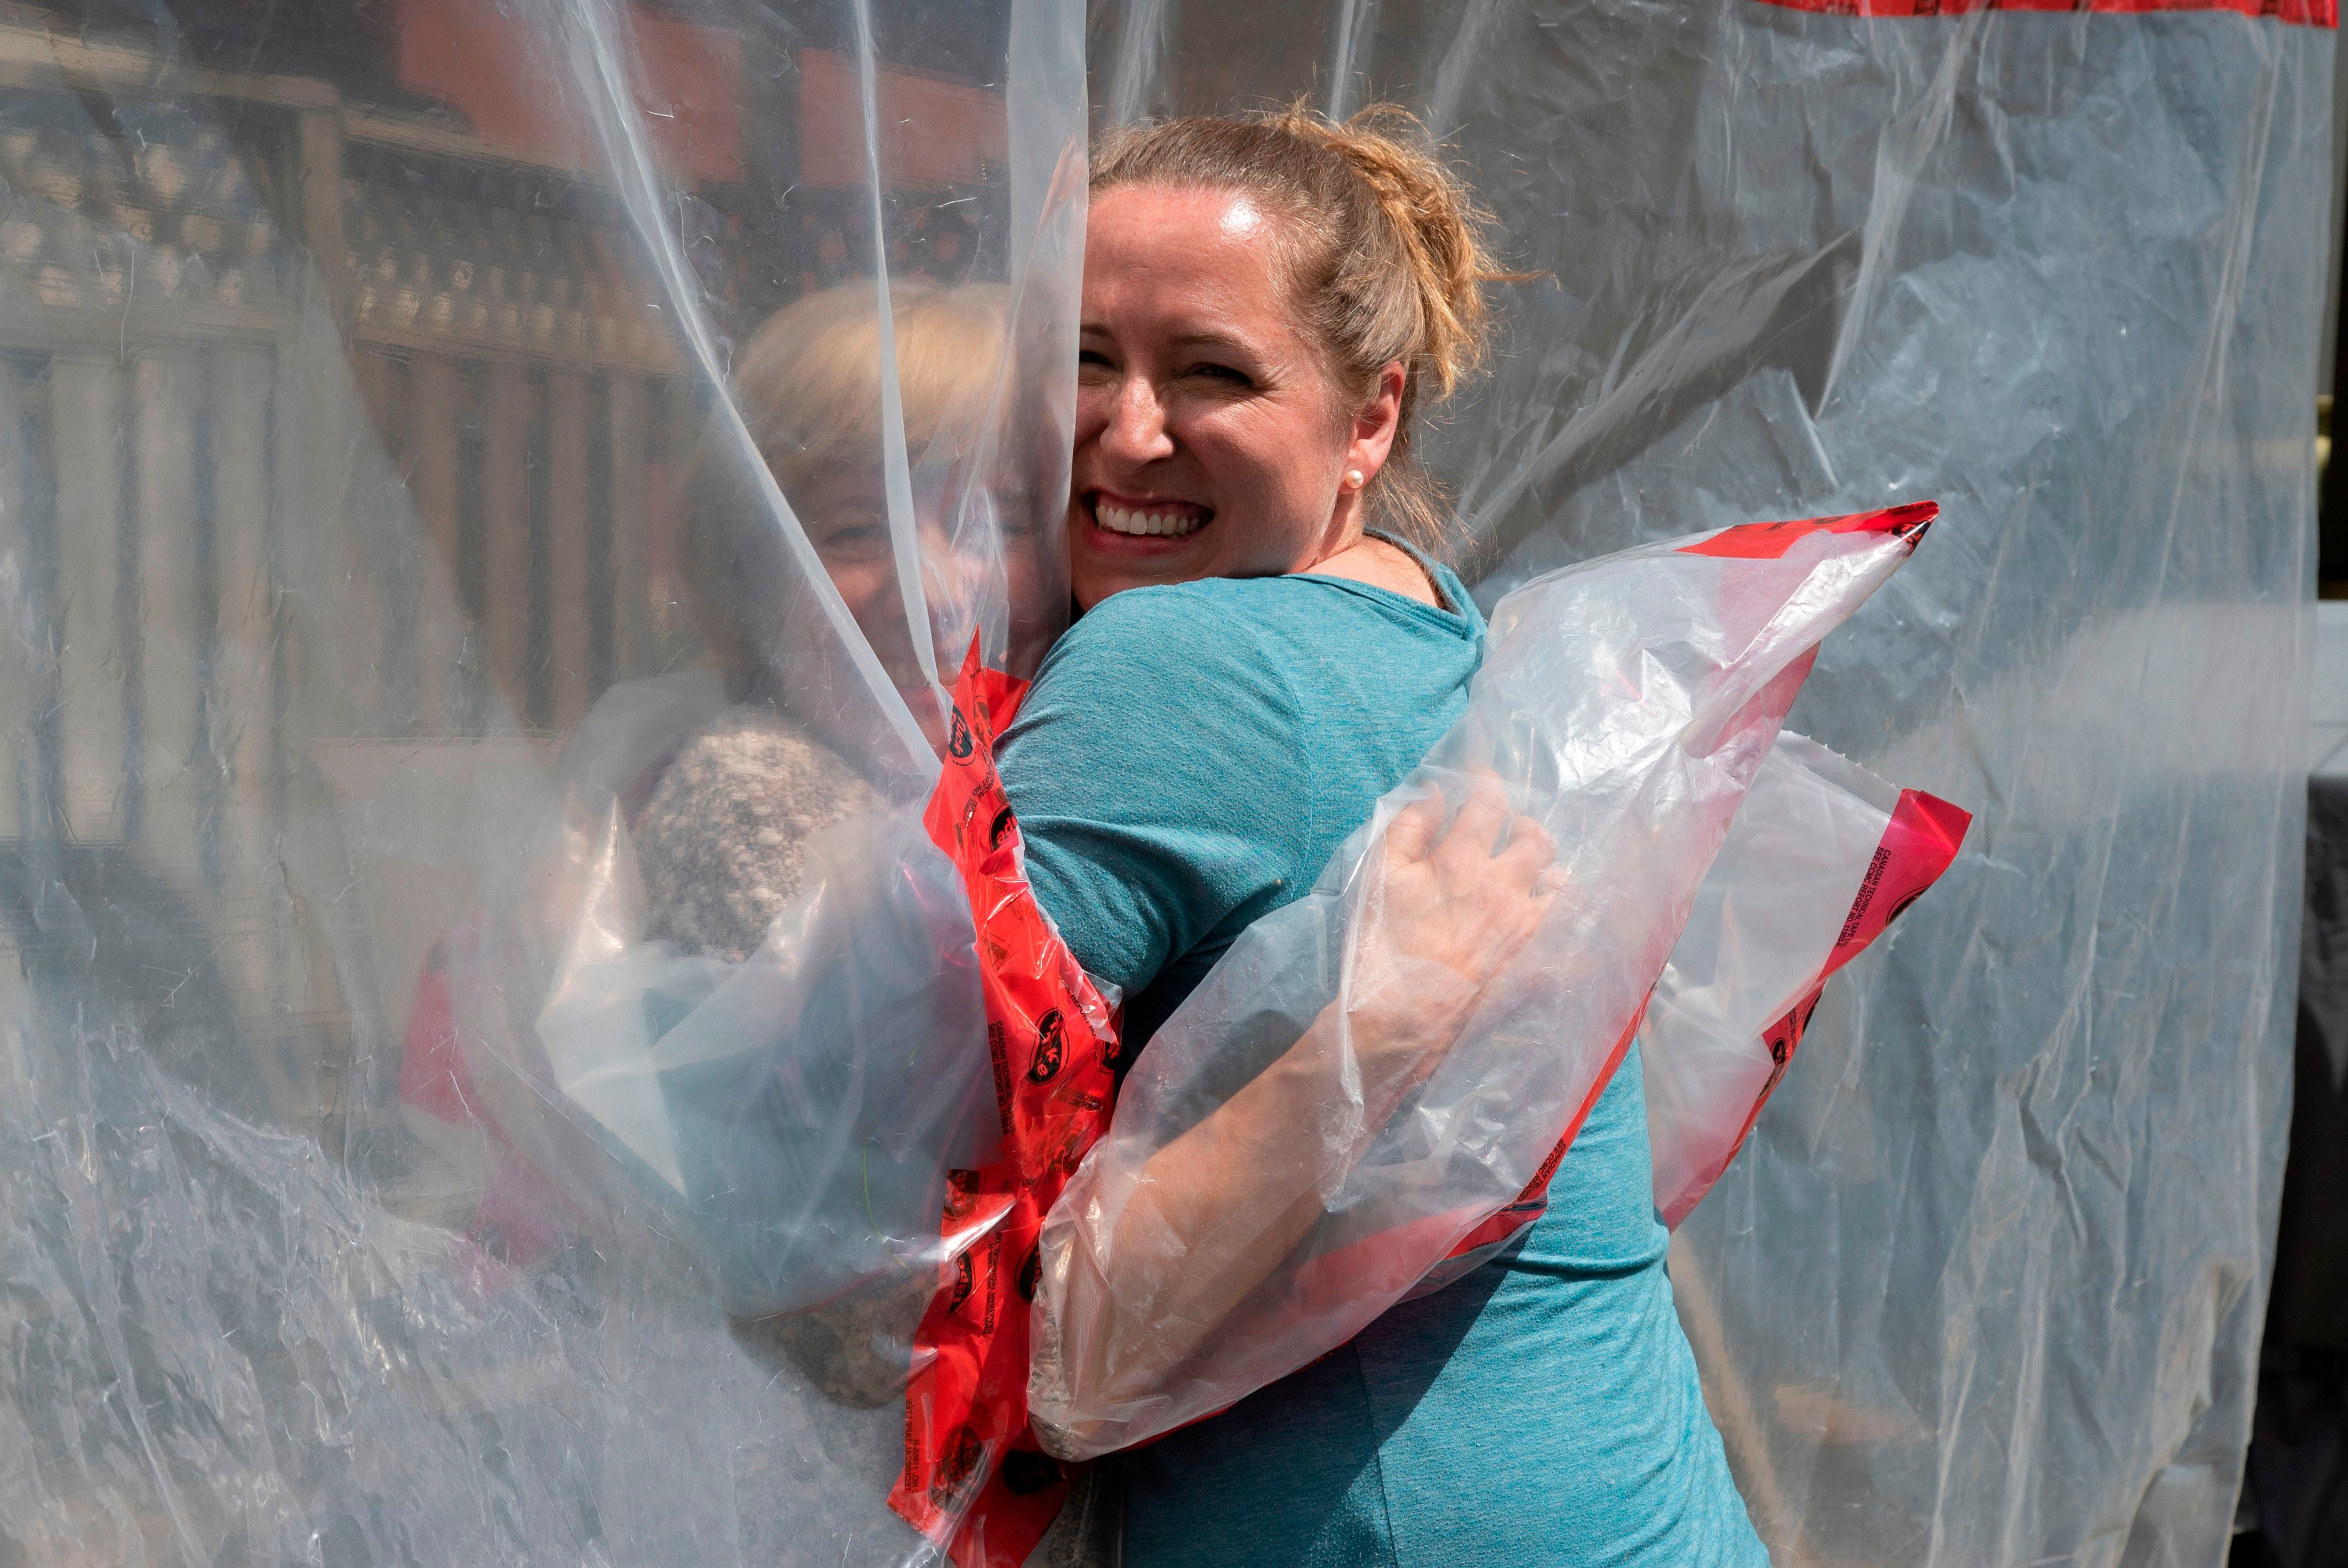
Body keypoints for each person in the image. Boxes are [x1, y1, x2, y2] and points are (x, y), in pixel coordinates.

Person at [992, 105, 1770, 1566]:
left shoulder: (1176, 666)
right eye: (1081, 360)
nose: (1128, 428)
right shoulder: (1424, 623)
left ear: (1372, 418)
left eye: (1212, 373)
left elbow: (896, 1220)